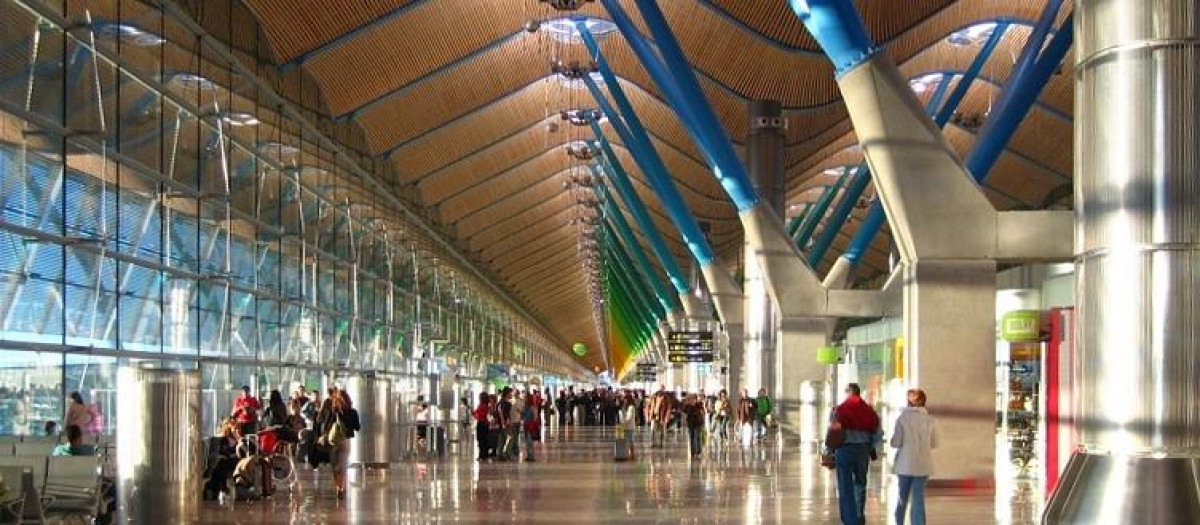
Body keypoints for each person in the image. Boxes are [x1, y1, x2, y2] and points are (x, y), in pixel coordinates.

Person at [831, 383, 882, 525]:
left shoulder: (840, 410)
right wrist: (869, 447)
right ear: (859, 393)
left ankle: (849, 520)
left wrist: (829, 450)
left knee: (845, 486)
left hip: (844, 450)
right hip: (862, 451)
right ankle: (859, 516)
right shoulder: (869, 410)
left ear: (848, 393)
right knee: (860, 483)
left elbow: (833, 431)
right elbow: (878, 433)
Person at [892, 389, 937, 525]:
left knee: (902, 497)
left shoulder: (902, 419)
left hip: (905, 465)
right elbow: (934, 443)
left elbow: (896, 443)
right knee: (918, 498)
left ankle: (899, 522)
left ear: (909, 402)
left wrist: (893, 440)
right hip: (923, 465)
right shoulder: (930, 420)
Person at [316, 389, 361, 499]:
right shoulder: (353, 412)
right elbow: (357, 427)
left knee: (335, 466)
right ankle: (342, 487)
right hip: (345, 441)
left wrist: (323, 436)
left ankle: (338, 486)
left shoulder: (333, 411)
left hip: (333, 441)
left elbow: (325, 424)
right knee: (343, 465)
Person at [683, 394, 706, 459]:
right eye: (690, 399)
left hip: (698, 424)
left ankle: (698, 452)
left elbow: (703, 412)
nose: (692, 401)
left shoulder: (699, 405)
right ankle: (693, 452)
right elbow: (684, 414)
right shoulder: (687, 406)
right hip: (690, 424)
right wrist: (685, 422)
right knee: (691, 438)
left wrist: (703, 422)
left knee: (697, 437)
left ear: (695, 399)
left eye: (693, 399)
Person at [473, 393, 493, 461]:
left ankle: (481, 455)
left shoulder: (481, 405)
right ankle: (485, 454)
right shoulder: (488, 406)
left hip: (481, 424)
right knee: (485, 440)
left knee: (480, 440)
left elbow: (477, 413)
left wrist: (475, 413)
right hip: (486, 424)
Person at [521, 392, 539, 462]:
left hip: (530, 426)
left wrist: (534, 425)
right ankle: (528, 455)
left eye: (526, 398)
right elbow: (523, 416)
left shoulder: (533, 407)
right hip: (526, 425)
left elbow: (535, 417)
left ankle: (531, 456)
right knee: (527, 441)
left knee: (530, 441)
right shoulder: (525, 407)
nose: (525, 399)